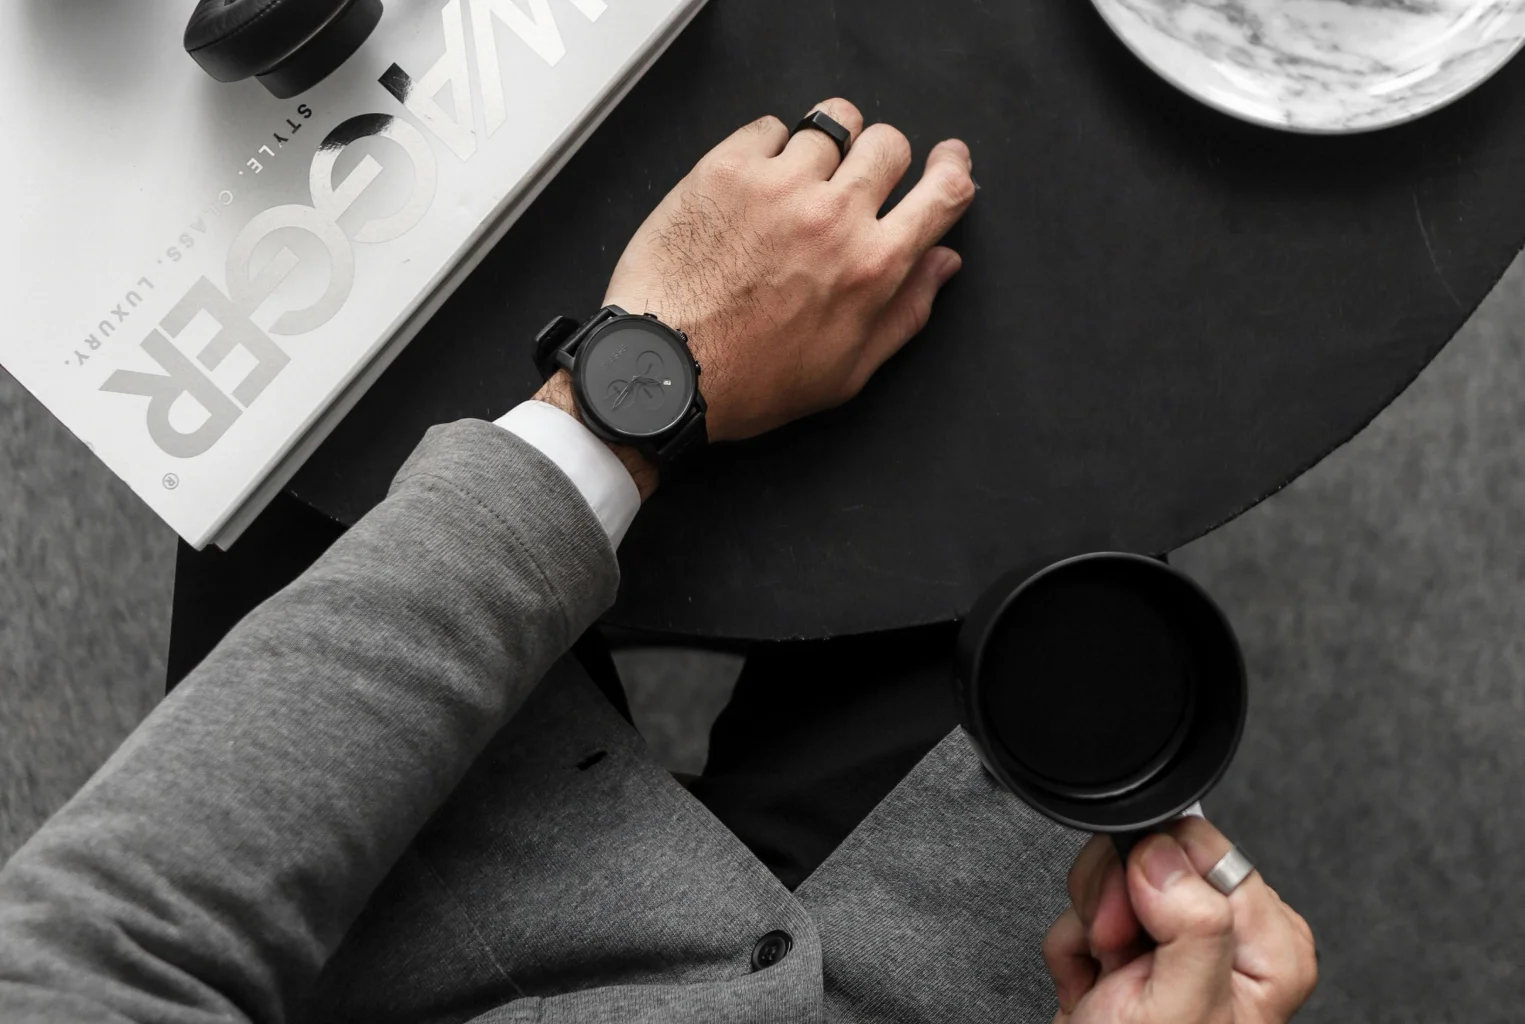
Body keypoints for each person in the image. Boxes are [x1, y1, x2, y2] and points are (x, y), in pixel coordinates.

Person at [0, 98, 1316, 1023]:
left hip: (408, 953)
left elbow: (83, 956)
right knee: (1044, 358)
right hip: (936, 983)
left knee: (300, 278)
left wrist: (628, 393)